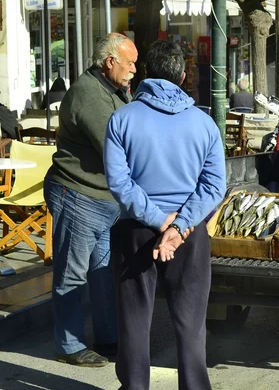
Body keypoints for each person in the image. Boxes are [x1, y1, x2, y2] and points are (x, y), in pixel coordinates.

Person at [104, 40, 226, 390]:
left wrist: (159, 221)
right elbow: (215, 185)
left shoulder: (122, 119)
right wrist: (180, 225)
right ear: (184, 76)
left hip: (135, 231)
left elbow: (119, 183)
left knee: (134, 322)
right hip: (189, 236)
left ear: (145, 74)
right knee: (191, 325)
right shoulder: (203, 124)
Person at [44, 32, 137, 367]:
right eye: (130, 64)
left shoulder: (114, 89)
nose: (134, 71)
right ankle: (69, 345)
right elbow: (117, 147)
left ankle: (108, 337)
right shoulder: (89, 94)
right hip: (78, 194)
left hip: (102, 198)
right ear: (110, 62)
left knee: (101, 271)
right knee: (72, 274)